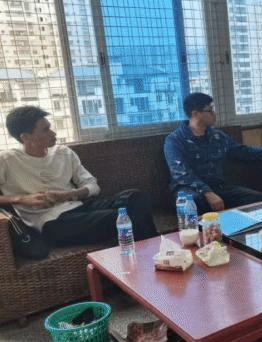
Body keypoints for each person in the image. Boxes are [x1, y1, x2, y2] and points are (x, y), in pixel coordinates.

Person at [0, 106, 157, 247]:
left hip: (79, 207)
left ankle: (149, 255)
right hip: (50, 222)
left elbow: (93, 186)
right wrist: (22, 199)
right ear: (26, 137)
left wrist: (68, 194)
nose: (53, 133)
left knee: (136, 197)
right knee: (119, 218)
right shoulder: (7, 160)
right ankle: (153, 255)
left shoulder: (63, 153)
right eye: (45, 130)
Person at [164, 92, 262, 215]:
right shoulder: (174, 140)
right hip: (188, 191)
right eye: (210, 110)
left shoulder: (217, 136)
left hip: (218, 188)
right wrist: (207, 192)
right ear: (195, 113)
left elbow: (241, 150)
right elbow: (182, 173)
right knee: (193, 202)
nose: (214, 113)